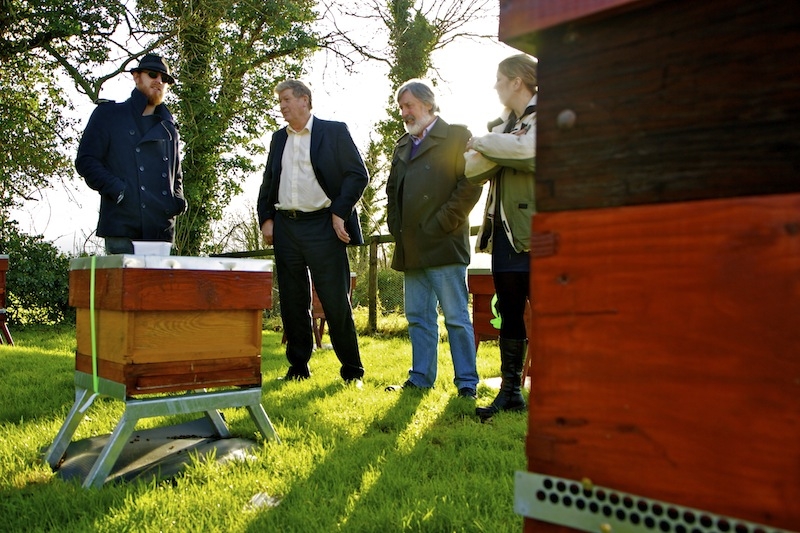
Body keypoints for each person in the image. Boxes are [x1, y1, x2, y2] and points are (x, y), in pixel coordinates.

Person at [257, 79, 368, 386]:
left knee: (334, 301)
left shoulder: (333, 131)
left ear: (305, 100)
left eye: (287, 99)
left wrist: (338, 213)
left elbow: (358, 175)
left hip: (323, 225)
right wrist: (266, 217)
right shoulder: (278, 139)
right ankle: (298, 367)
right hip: (286, 227)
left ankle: (352, 371)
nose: (282, 105)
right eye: (280, 100)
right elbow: (269, 181)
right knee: (293, 302)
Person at [385, 79, 483, 399]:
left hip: (444, 242)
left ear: (428, 104)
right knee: (418, 318)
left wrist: (443, 222)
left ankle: (467, 382)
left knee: (456, 318)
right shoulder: (401, 145)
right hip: (411, 246)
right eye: (401, 107)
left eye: (409, 105)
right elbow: (392, 194)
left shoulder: (457, 136)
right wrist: (396, 229)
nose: (405, 113)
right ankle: (421, 377)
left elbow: (470, 184)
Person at [464, 53, 537, 419]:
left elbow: (530, 152)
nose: (495, 87)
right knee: (509, 313)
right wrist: (498, 145)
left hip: (541, 233)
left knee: (551, 316)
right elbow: (471, 168)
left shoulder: (545, 117)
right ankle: (510, 393)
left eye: (499, 79)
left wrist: (483, 142)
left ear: (516, 82)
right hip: (505, 235)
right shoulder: (502, 126)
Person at [76, 53, 187, 255]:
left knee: (159, 287)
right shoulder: (109, 115)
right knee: (123, 286)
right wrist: (118, 190)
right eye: (152, 74)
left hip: (161, 229)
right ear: (136, 77)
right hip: (123, 226)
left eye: (165, 79)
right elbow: (87, 161)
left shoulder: (170, 128)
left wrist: (176, 200)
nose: (159, 81)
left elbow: (176, 174)